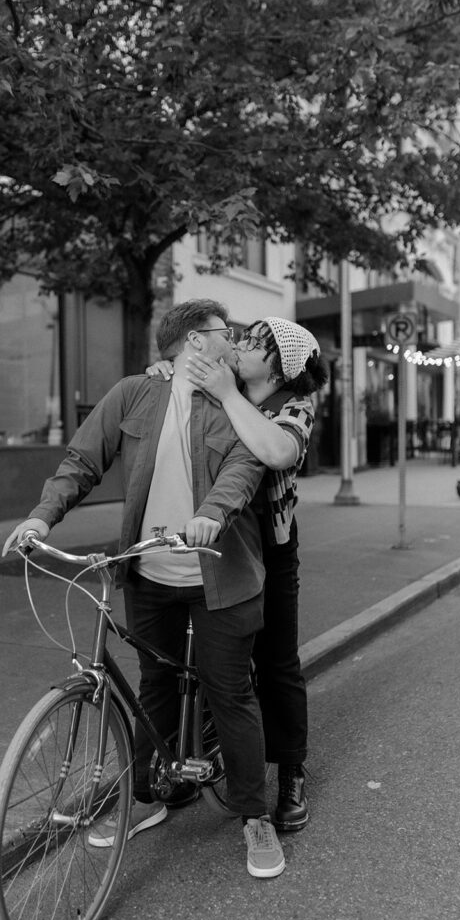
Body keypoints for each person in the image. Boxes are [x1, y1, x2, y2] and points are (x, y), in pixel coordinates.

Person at [3, 298, 285, 879]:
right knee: (153, 684)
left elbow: (242, 471)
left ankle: (255, 815)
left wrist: (211, 513)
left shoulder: (239, 404)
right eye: (224, 333)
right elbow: (83, 459)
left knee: (230, 692)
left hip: (220, 575)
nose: (233, 341)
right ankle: (148, 798)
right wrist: (40, 518)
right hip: (149, 570)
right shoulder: (135, 393)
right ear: (195, 343)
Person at [147, 316, 328, 831]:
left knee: (276, 662)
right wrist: (166, 367)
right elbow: (176, 378)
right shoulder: (225, 380)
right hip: (217, 542)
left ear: (278, 366)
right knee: (207, 660)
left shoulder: (294, 405)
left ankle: (290, 771)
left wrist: (229, 395)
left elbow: (275, 451)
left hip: (271, 551)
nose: (241, 346)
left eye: (254, 343)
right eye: (242, 339)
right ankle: (195, 755)